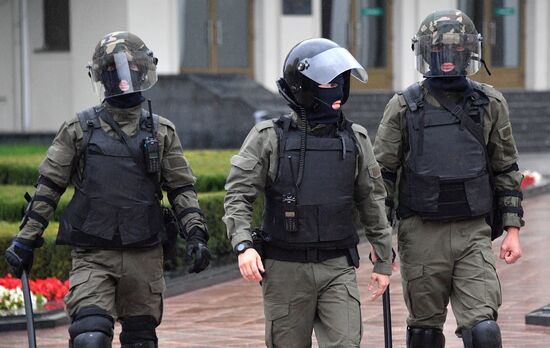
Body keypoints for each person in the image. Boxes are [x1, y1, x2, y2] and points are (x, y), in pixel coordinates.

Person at [4, 31, 211, 348]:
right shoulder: (79, 129)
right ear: (102, 77)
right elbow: (49, 186)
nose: (123, 80)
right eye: (114, 72)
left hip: (145, 255)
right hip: (94, 255)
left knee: (141, 342)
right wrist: (26, 239)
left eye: (128, 70)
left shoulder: (161, 130)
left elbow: (181, 188)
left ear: (142, 72)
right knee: (89, 339)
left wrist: (196, 234)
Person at [223, 38, 393, 347]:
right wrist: (243, 244)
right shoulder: (269, 137)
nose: (338, 88)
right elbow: (238, 195)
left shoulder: (355, 139)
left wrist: (383, 259)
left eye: (340, 80)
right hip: (285, 270)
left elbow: (373, 200)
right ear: (303, 86)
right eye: (329, 81)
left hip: (337, 267)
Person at [373, 10, 524, 348]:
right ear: (426, 54)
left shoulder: (490, 103)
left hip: (473, 232)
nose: (447, 60)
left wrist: (512, 230)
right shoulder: (403, 107)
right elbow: (380, 176)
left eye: (455, 52)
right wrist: (380, 240)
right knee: (424, 333)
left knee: (484, 331)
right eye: (439, 52)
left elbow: (505, 169)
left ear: (468, 52)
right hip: (421, 234)